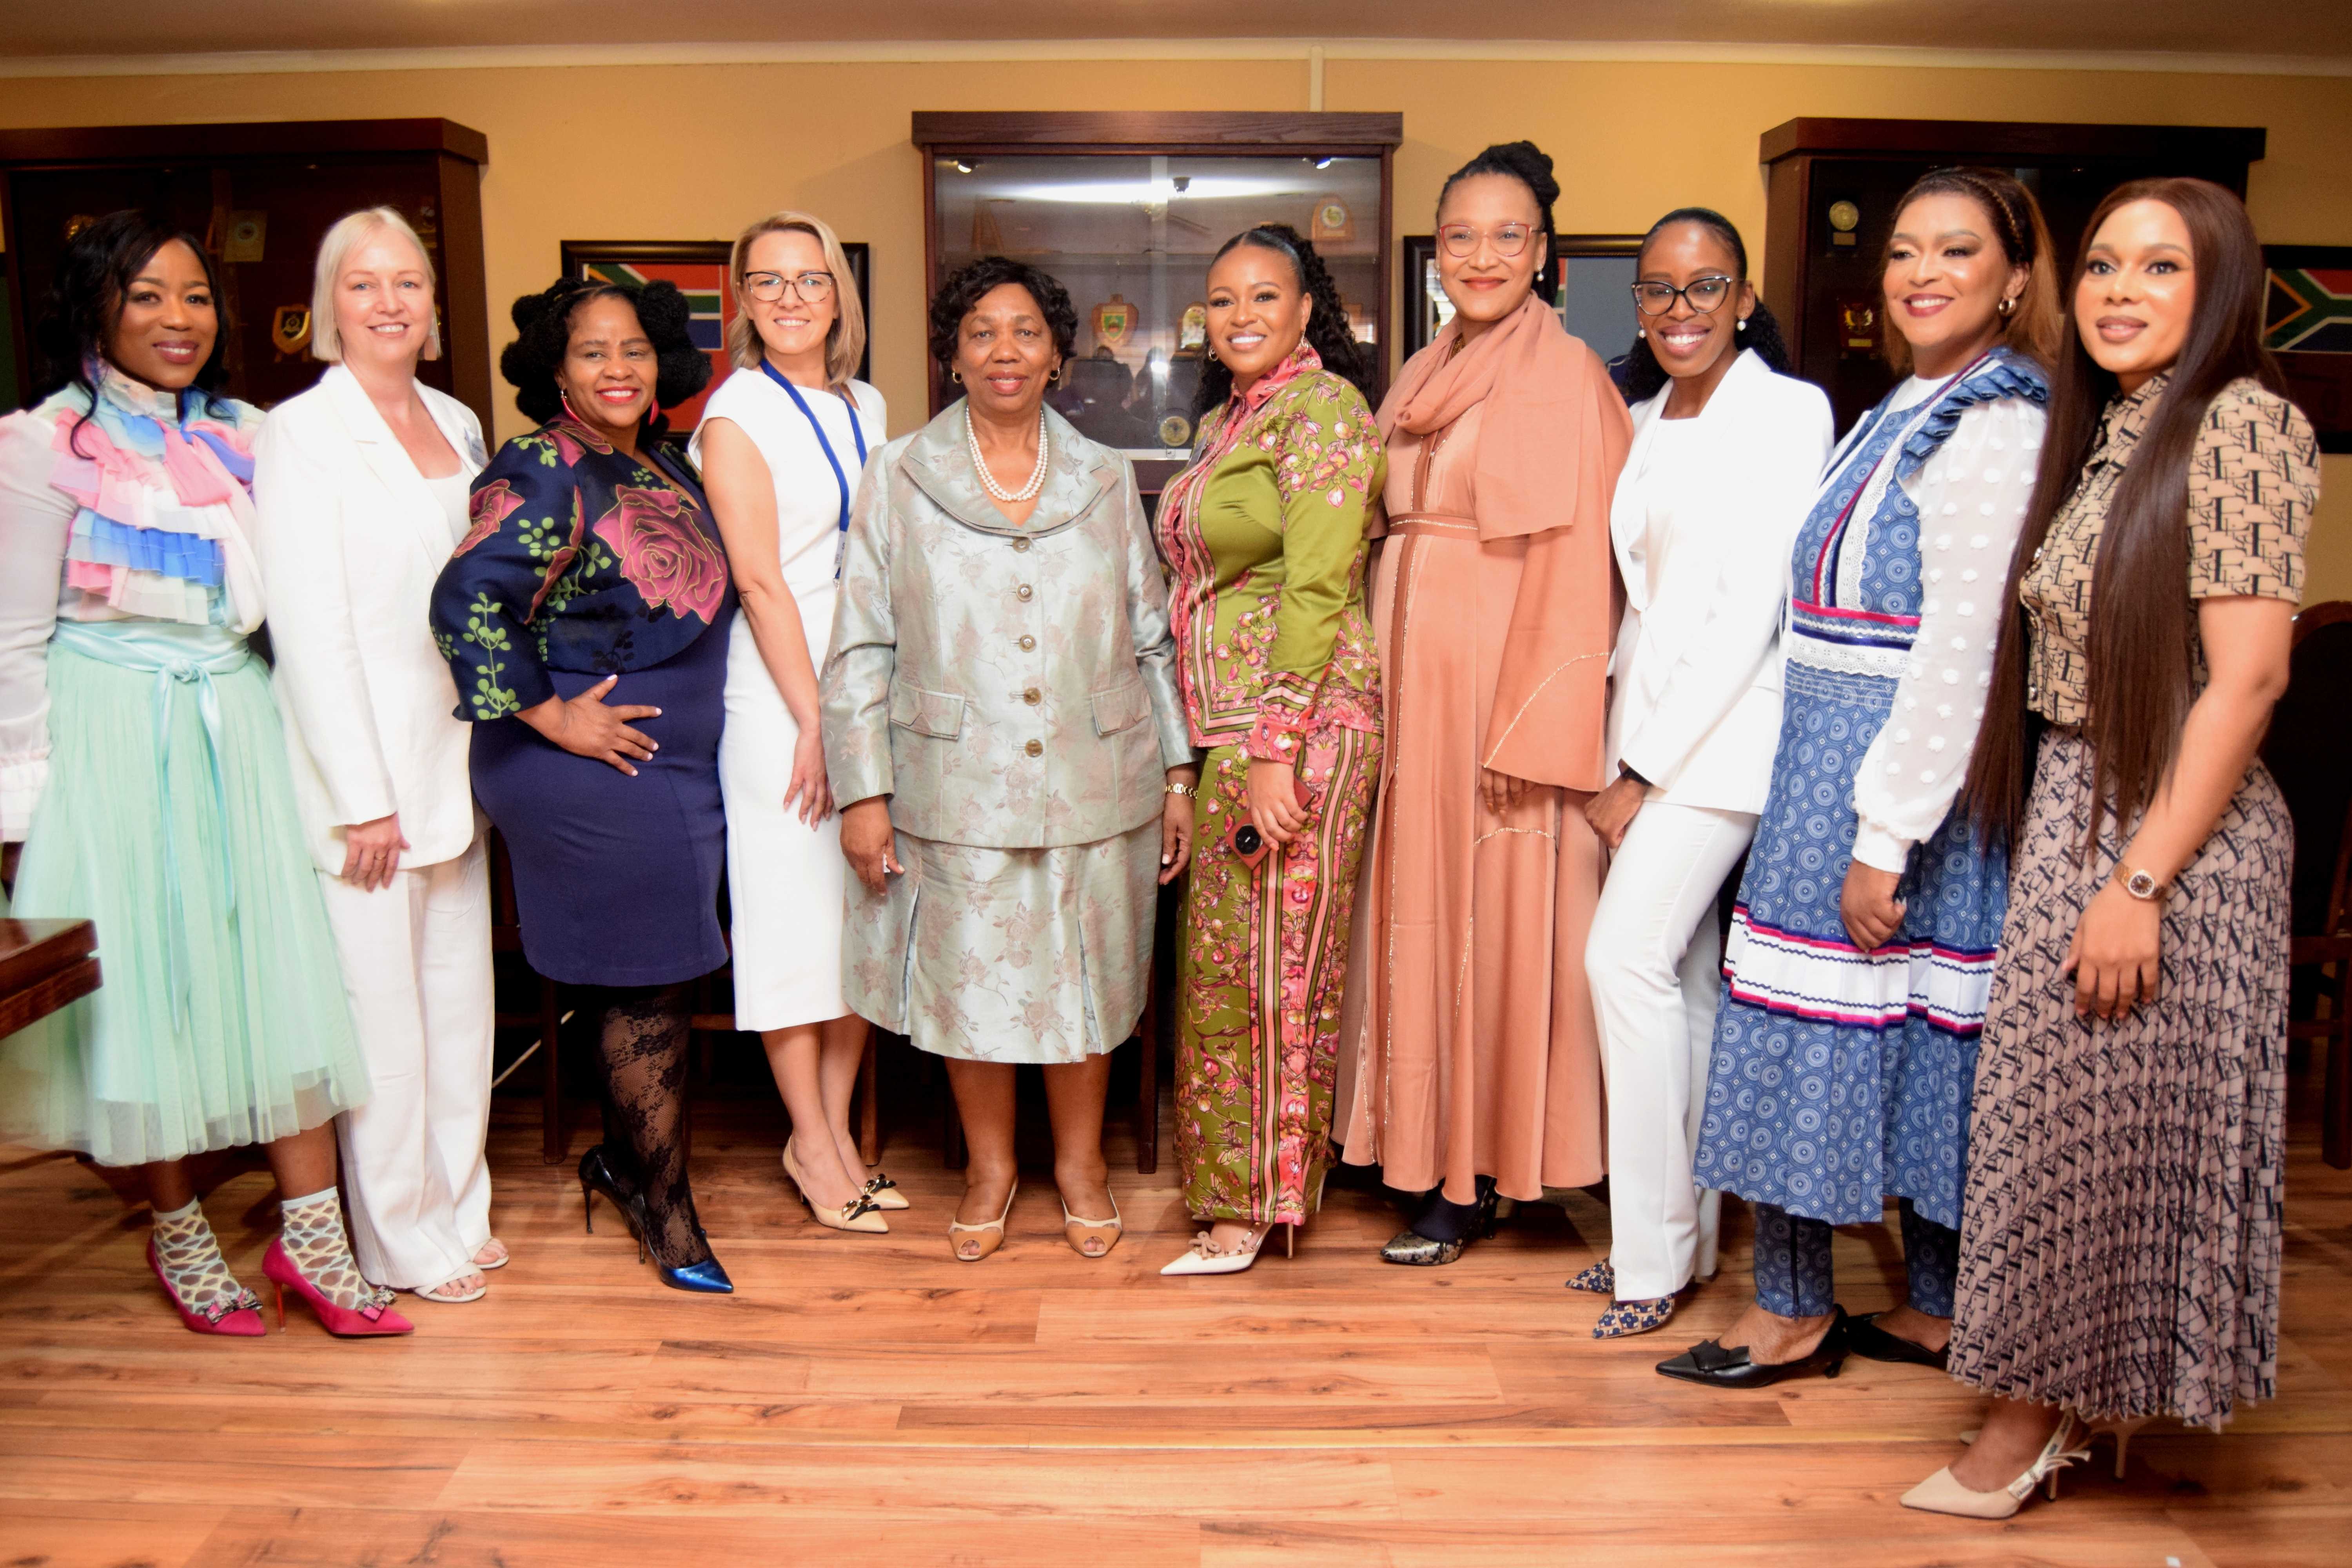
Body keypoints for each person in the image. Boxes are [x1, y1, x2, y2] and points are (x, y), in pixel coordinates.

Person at [1911, 178, 2319, 1517]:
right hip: (2080, 804)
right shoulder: (2114, 430)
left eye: (2160, 268)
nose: (2120, 293)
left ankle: (2031, 1421)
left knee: (2092, 1146)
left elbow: (2248, 682)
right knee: (2051, 1139)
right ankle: (2061, 1402)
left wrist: (2139, 880)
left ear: (2221, 288)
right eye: (2101, 265)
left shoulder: (2243, 422)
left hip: (2169, 833)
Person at [1658, 168, 2061, 1385]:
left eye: (1956, 251)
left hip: (1889, 773)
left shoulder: (1999, 417)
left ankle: (1801, 1313)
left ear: (2016, 279)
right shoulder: (1907, 402)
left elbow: (1961, 653)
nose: (1921, 274)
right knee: (1872, 1033)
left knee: (1845, 1038)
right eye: (1904, 251)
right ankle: (1925, 1307)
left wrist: (1883, 837)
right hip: (1829, 757)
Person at [0, 211, 405, 1337]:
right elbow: (12, 643)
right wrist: (22, 816)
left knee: (283, 969)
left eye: (194, 297)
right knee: (151, 990)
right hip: (111, 736)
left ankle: (312, 1238)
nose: (178, 319)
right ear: (94, 309)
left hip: (240, 716)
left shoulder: (252, 434)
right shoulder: (39, 444)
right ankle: (178, 1231)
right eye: (147, 296)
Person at [822, 256, 1196, 1263]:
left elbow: (1151, 636)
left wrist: (1178, 773)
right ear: (952, 354)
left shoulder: (1105, 476)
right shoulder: (900, 473)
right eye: (981, 331)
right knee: (967, 986)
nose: (1005, 350)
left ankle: (1081, 1165)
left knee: (1087, 979)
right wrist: (863, 790)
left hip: (1096, 773)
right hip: (954, 779)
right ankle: (991, 1169)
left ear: (1057, 353)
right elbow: (861, 643)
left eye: (1026, 331)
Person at [1336, 141, 1633, 1264]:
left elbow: (1581, 574)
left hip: (1496, 700)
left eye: (1508, 236)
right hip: (1408, 684)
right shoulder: (1423, 369)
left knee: (1486, 919)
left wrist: (1533, 728)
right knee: (1410, 906)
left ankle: (1475, 1172)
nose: (1482, 256)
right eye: (1461, 236)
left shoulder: (1567, 376)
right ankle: (1406, 1137)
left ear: (1544, 251)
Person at [428, 276, 732, 1293]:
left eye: (634, 348)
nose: (617, 368)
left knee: (652, 968)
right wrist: (555, 716)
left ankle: (621, 1163)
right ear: (556, 369)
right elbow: (468, 599)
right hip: (586, 760)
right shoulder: (544, 463)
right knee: (649, 977)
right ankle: (666, 1211)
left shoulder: (661, 459)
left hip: (661, 762)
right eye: (593, 350)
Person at [1573, 209, 1832, 1336]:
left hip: (1721, 743)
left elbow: (1749, 610)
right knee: (1682, 986)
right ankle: (1688, 1236)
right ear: (1638, 303)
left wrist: (1639, 769)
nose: (1682, 310)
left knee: (1620, 960)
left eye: (1706, 286)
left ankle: (1647, 1262)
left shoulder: (1788, 409)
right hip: (1643, 722)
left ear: (1744, 297)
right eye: (1660, 290)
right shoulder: (1639, 418)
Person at [255, 207, 501, 1307]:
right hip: (364, 783)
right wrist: (362, 798)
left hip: (456, 759)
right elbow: (309, 629)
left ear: (432, 303)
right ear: (330, 304)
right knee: (385, 1026)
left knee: (458, 1008)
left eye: (408, 282)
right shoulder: (302, 433)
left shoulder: (457, 419)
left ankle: (458, 1211)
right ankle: (399, 1238)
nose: (389, 302)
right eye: (364, 284)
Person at [1154, 225, 1385, 1277]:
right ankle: (1238, 1190)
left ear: (1304, 311)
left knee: (1273, 970)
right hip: (1236, 729)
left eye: (1264, 296)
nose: (1241, 315)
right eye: (1222, 299)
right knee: (1225, 962)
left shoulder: (1324, 409)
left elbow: (1320, 583)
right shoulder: (1229, 420)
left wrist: (1277, 743)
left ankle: (1258, 1206)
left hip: (1300, 726)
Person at [692, 211, 894, 1236]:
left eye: (809, 278)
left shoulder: (867, 403)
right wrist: (818, 724)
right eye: (767, 281)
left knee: (862, 914)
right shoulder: (735, 413)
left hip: (867, 673)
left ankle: (841, 1133)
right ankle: (809, 1140)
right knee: (789, 916)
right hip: (781, 689)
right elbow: (761, 583)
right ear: (743, 298)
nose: (790, 298)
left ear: (837, 293)